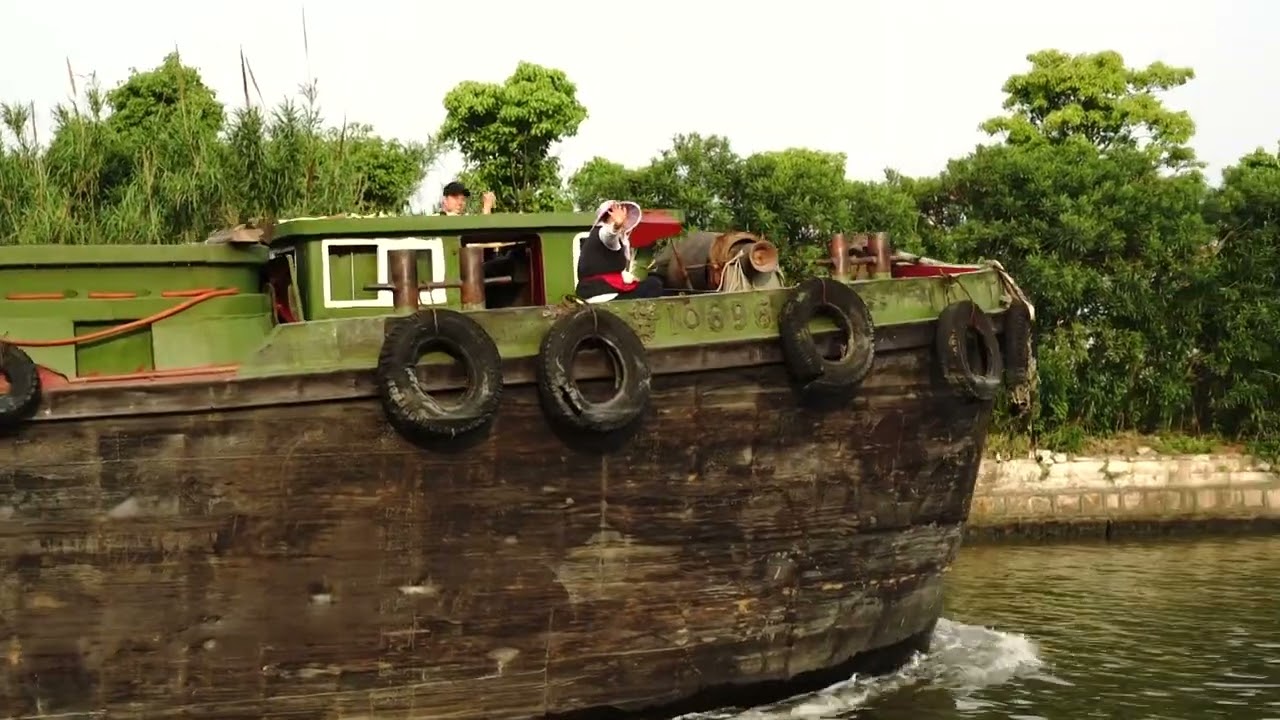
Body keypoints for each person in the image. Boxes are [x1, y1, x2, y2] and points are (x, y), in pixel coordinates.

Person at [575, 200, 664, 302]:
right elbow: (609, 235)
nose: (625, 219)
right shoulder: (603, 232)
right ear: (608, 216)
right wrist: (616, 225)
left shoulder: (599, 238)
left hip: (594, 292)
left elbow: (609, 269)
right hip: (603, 295)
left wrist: (628, 278)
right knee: (654, 284)